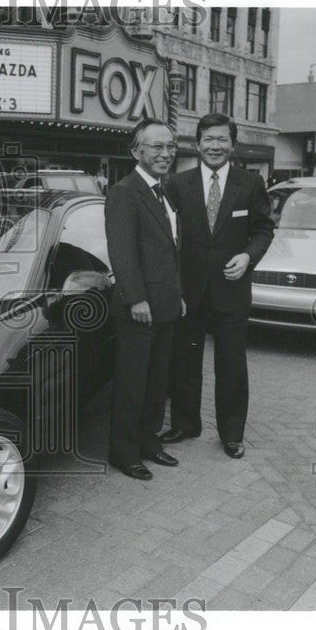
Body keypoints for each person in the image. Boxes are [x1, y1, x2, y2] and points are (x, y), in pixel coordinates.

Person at [160, 113, 275, 459]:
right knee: (184, 359)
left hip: (232, 290)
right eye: (208, 139)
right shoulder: (177, 184)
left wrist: (247, 257)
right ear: (197, 145)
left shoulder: (250, 184)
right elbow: (167, 236)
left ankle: (232, 434)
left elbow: (264, 230)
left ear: (233, 145)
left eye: (221, 139)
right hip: (188, 289)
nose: (215, 146)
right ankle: (185, 424)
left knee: (231, 365)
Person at [104, 118, 184, 481]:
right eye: (156, 146)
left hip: (166, 304)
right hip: (140, 307)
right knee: (133, 383)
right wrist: (136, 298)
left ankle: (149, 442)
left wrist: (177, 295)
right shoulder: (124, 191)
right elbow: (122, 252)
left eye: (170, 146)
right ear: (136, 151)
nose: (165, 153)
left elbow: (169, 251)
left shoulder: (163, 191)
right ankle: (124, 451)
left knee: (157, 381)